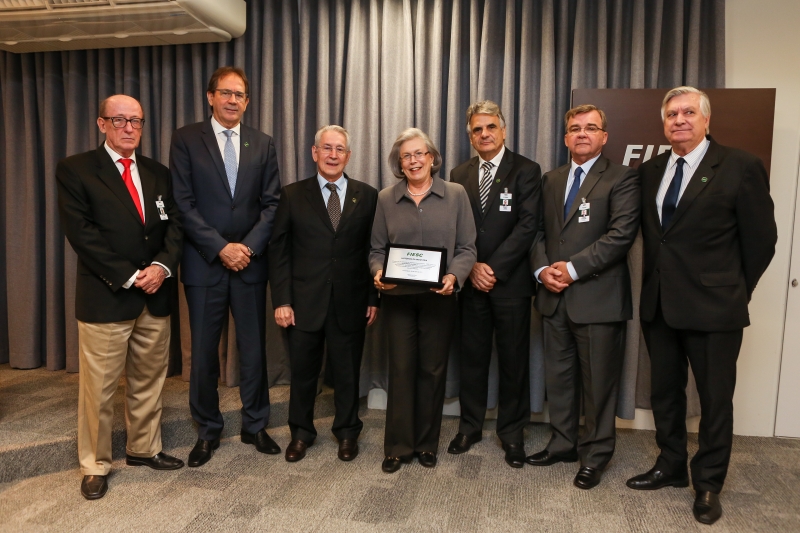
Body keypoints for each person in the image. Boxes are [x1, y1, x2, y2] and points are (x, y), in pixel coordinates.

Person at [627, 87, 777, 524]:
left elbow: (761, 241)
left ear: (706, 120)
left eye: (689, 112)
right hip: (660, 304)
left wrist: (734, 289)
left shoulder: (740, 166)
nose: (679, 120)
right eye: (672, 114)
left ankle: (708, 483)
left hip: (715, 308)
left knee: (714, 401)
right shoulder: (652, 169)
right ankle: (670, 465)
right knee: (665, 395)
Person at [56, 95, 184, 500]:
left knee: (148, 380)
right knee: (100, 389)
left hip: (155, 294)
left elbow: (174, 227)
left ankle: (144, 449)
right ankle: (95, 464)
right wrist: (130, 276)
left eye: (137, 121)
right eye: (120, 120)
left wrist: (161, 268)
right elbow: (82, 234)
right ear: (102, 123)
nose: (129, 128)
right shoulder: (76, 169)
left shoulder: (158, 173)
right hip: (107, 296)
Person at [170, 66, 282, 467]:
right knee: (202, 355)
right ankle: (208, 430)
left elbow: (272, 205)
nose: (233, 100)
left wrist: (246, 249)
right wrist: (221, 248)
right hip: (204, 265)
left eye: (240, 95)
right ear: (210, 96)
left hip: (250, 266)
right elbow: (183, 202)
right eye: (226, 93)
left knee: (253, 352)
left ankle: (255, 425)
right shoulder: (186, 139)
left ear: (247, 102)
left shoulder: (263, 143)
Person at [527, 104, 640, 489]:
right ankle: (562, 444)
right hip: (553, 296)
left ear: (604, 137)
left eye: (591, 128)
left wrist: (571, 269)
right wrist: (543, 271)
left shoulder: (622, 178)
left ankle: (595, 455)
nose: (582, 134)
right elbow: (538, 232)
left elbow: (620, 236)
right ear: (565, 137)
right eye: (574, 128)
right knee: (559, 379)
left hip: (598, 298)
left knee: (598, 385)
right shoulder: (551, 179)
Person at [269, 125, 379, 462]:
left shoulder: (368, 195)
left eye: (340, 149)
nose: (333, 155)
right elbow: (279, 251)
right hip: (304, 302)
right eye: (327, 148)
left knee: (347, 371)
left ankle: (347, 432)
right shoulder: (292, 194)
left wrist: (374, 298)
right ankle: (301, 433)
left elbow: (373, 250)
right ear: (315, 153)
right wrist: (283, 300)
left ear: (348, 155)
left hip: (352, 300)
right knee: (303, 373)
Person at [370, 128, 477, 473]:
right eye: (406, 156)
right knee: (401, 370)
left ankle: (426, 445)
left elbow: (466, 248)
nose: (414, 160)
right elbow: (376, 250)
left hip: (439, 297)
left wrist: (454, 277)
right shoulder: (387, 198)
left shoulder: (456, 194)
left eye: (420, 154)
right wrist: (377, 271)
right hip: (398, 298)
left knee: (432, 371)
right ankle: (398, 447)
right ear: (399, 164)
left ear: (432, 158)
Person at [448, 100, 542, 468]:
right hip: (471, 283)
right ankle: (470, 426)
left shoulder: (527, 170)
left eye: (490, 127)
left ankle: (512, 433)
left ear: (503, 130)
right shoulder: (459, 174)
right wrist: (472, 268)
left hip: (511, 285)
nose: (484, 134)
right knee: (471, 358)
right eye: (476, 129)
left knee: (514, 360)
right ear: (470, 136)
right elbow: (455, 229)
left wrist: (493, 268)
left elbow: (528, 226)